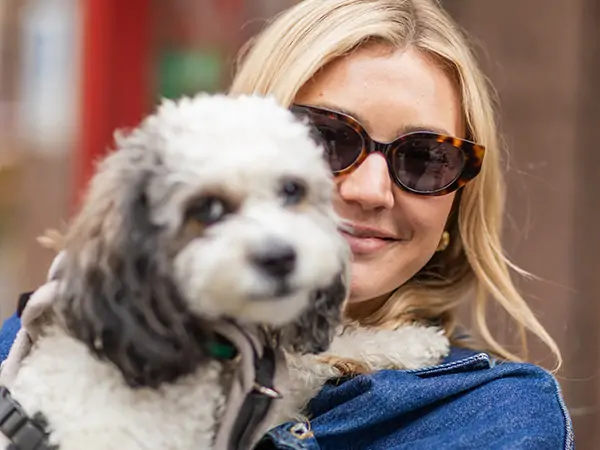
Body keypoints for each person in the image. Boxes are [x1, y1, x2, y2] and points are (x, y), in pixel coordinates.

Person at [0, 0, 573, 448]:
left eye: (425, 158)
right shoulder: (28, 347)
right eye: (326, 138)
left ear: (458, 200)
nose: (370, 190)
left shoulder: (492, 415)